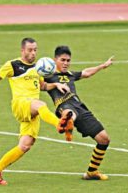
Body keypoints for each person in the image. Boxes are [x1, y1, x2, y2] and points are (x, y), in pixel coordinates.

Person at [0, 38, 73, 185]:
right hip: (20, 104)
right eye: (30, 50)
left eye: (35, 50)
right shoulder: (13, 65)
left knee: (25, 145)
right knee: (41, 104)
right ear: (22, 50)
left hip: (32, 110)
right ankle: (60, 124)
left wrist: (55, 84)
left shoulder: (38, 67)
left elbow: (42, 86)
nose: (33, 53)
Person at [44, 45, 113, 180]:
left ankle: (92, 172)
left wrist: (103, 66)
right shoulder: (49, 75)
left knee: (104, 139)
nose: (65, 63)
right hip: (63, 105)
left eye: (68, 60)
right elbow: (40, 85)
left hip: (80, 107)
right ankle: (67, 122)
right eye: (62, 60)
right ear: (55, 60)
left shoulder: (70, 75)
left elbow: (86, 73)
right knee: (69, 113)